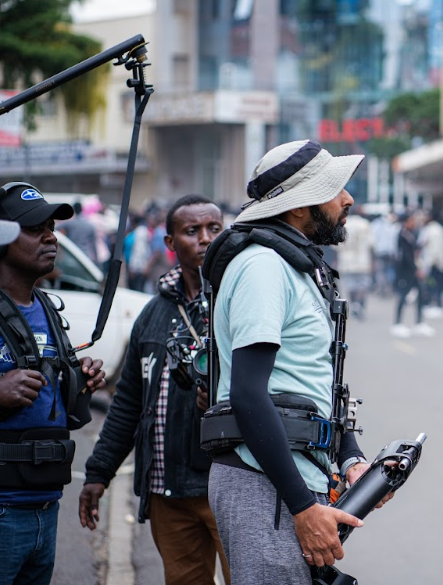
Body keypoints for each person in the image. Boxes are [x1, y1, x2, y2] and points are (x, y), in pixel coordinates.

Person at [204, 140, 380, 583]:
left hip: (289, 479)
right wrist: (302, 507)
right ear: (300, 208)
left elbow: (309, 380)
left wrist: (351, 458)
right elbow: (247, 394)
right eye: (335, 189)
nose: (348, 199)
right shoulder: (263, 267)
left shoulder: (295, 266)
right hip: (264, 482)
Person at [78, 195, 230, 585]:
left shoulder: (237, 302)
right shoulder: (153, 314)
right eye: (192, 231)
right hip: (167, 490)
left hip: (228, 487)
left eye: (214, 229)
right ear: (170, 243)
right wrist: (98, 474)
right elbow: (128, 403)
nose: (205, 239)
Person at [0, 183, 107, 585]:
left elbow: (60, 408)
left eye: (51, 226)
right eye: (34, 228)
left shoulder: (47, 308)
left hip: (46, 507)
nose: (50, 237)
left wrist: (80, 384)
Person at [391, 212, 434, 338]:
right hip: (406, 272)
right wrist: (416, 269)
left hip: (412, 270)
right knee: (403, 295)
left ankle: (419, 323)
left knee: (420, 294)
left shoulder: (410, 234)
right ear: (405, 222)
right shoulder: (402, 235)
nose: (414, 223)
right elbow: (406, 257)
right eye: (411, 220)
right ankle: (397, 323)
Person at [336, 207, 373, 320]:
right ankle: (359, 305)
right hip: (363, 260)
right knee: (362, 285)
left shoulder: (344, 224)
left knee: (350, 285)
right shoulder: (365, 224)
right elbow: (371, 244)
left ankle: (354, 305)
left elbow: (337, 245)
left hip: (346, 261)